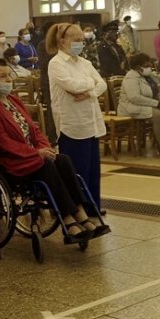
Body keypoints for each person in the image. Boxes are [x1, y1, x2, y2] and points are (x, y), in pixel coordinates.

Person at [0, 60, 108, 243]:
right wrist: (36, 153)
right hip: (12, 160)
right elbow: (3, 141)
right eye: (2, 76)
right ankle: (68, 220)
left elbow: (34, 130)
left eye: (9, 75)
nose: (8, 79)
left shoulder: (14, 101)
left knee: (63, 160)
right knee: (46, 165)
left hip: (33, 155)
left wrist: (44, 147)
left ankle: (81, 213)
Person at [47, 23, 107, 214]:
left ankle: (93, 207)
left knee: (92, 170)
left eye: (81, 39)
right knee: (77, 171)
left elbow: (102, 84)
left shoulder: (84, 63)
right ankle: (78, 209)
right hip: (72, 124)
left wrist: (88, 92)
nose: (80, 43)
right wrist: (91, 85)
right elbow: (71, 85)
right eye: (76, 40)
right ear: (62, 40)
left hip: (91, 121)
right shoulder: (56, 63)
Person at [118, 53, 160, 157]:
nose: (150, 67)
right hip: (131, 107)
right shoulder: (131, 78)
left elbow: (157, 91)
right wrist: (156, 103)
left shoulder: (149, 76)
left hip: (147, 104)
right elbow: (134, 97)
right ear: (138, 67)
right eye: (147, 66)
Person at [37, 23, 61, 139]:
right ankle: (53, 136)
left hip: (59, 80)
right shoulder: (43, 45)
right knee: (53, 108)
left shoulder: (60, 44)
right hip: (48, 81)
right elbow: (44, 65)